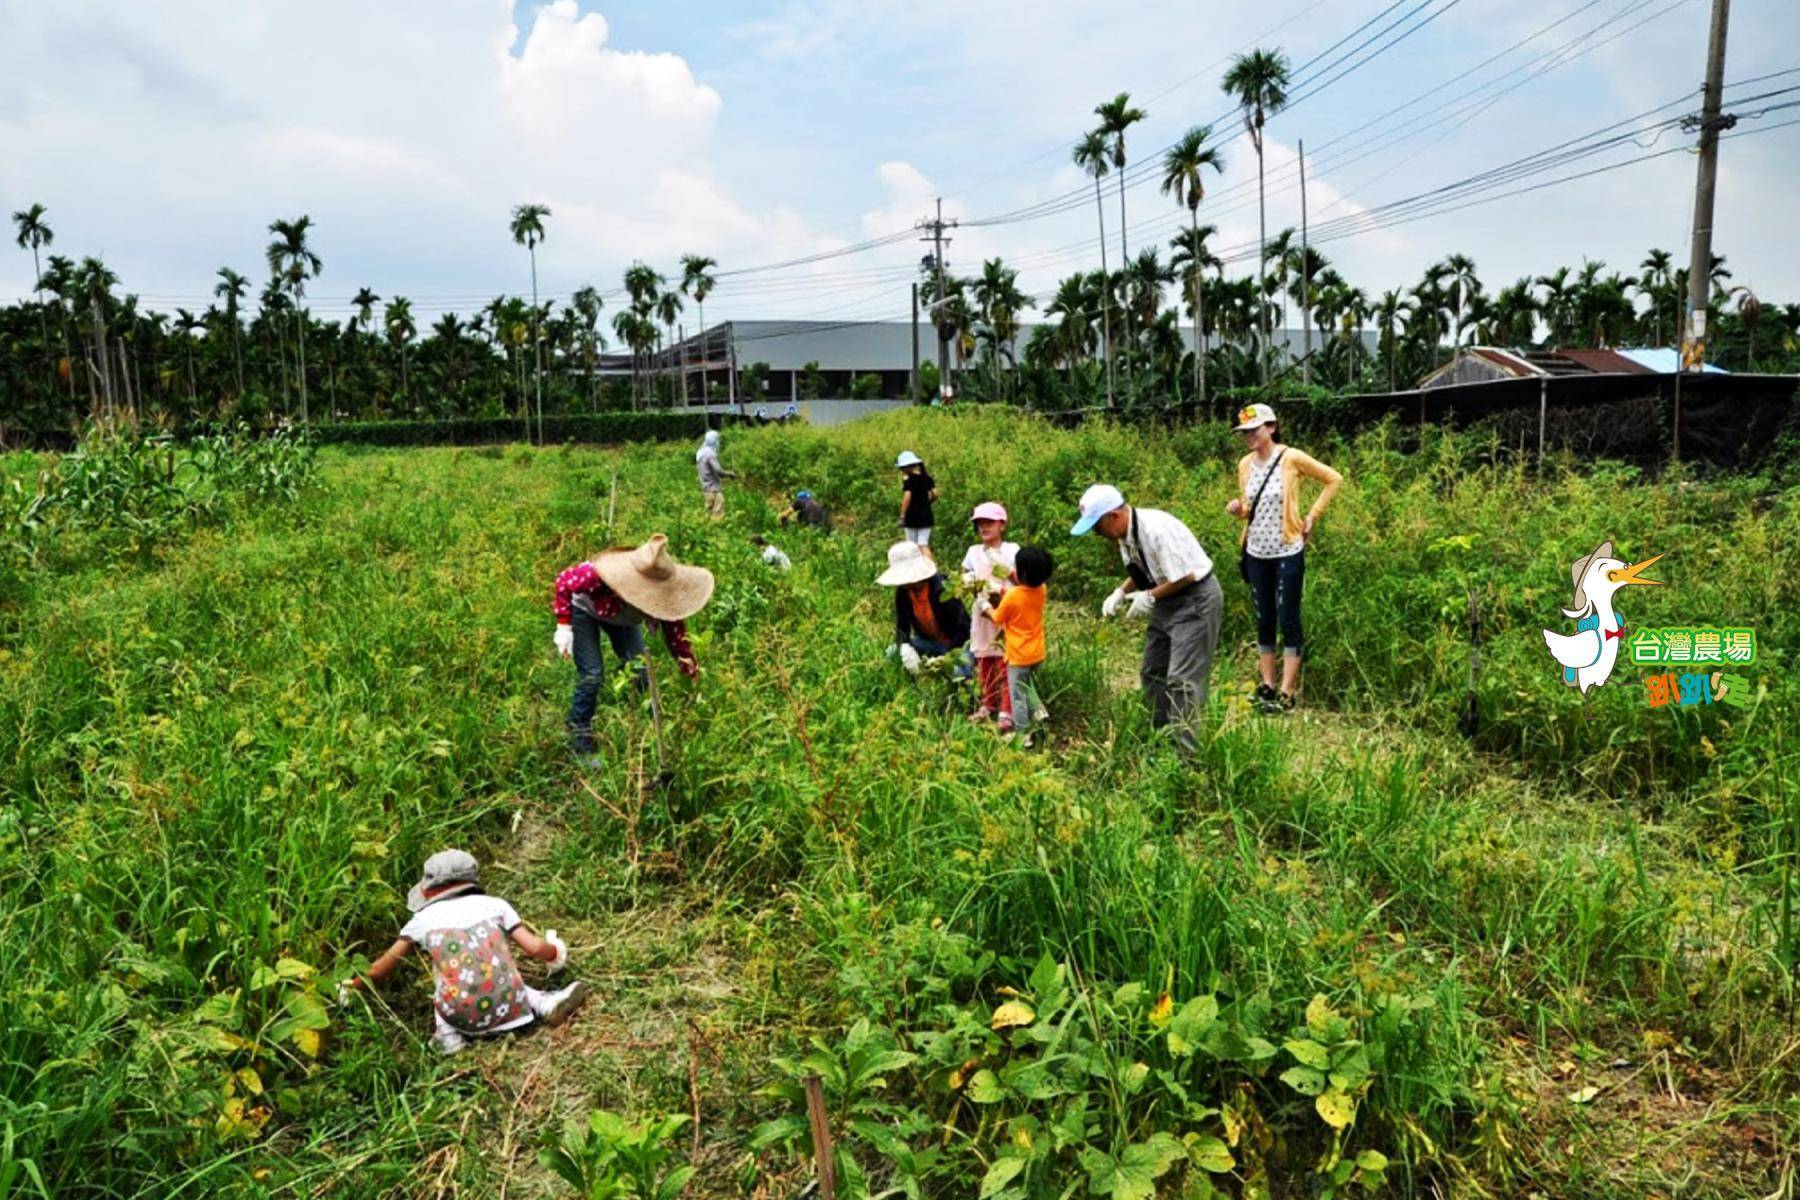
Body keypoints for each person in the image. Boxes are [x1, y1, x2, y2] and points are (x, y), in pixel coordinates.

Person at [341, 849, 589, 1055]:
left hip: (463, 1015)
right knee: (496, 972)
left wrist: (352, 985)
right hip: (511, 1005)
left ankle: (447, 1036)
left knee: (446, 975)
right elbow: (535, 947)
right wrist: (555, 951)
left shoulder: (421, 920)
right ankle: (545, 1003)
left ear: (429, 888)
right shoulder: (496, 905)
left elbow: (382, 968)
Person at [1072, 483, 1222, 758]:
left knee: (1182, 681)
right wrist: (1121, 592)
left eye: (1097, 526)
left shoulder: (1156, 529)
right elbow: (1147, 568)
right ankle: (1162, 739)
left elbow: (1184, 575)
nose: (1097, 534)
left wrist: (1148, 597)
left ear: (1113, 516)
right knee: (1152, 671)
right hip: (1167, 600)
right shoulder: (1126, 537)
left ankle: (1186, 758)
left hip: (1194, 599)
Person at [1225, 403, 1343, 714]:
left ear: (1272, 428)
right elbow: (1250, 510)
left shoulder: (1291, 457)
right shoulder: (1245, 464)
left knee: (1287, 616)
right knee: (1264, 617)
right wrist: (1238, 509)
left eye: (1255, 430)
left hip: (1287, 550)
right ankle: (1268, 685)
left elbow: (1333, 479)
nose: (1249, 436)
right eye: (1244, 432)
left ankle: (1288, 692)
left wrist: (1312, 517)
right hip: (1256, 551)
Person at [552, 534, 710, 762]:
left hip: (620, 618)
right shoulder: (600, 574)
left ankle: (645, 720)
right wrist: (564, 626)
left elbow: (676, 634)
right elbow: (563, 582)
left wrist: (688, 665)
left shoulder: (665, 595)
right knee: (592, 674)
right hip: (584, 610)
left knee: (640, 669)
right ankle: (578, 732)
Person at [985, 546, 1054, 748]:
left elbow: (998, 617)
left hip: (1018, 656)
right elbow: (1021, 592)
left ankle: (1024, 734)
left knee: (1017, 696)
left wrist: (985, 606)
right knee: (1027, 684)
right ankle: (1039, 711)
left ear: (1022, 572)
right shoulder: (1042, 589)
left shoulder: (1013, 596)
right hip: (1037, 652)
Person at [961, 502, 1019, 728]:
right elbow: (965, 575)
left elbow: (1022, 583)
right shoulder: (973, 552)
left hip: (1006, 607)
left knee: (1004, 658)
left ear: (1002, 525)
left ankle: (1007, 709)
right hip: (982, 610)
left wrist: (1006, 570)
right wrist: (968, 582)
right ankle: (988, 702)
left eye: (989, 522)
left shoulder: (1012, 550)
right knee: (985, 659)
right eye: (979, 523)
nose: (984, 527)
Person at [876, 540, 971, 678]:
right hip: (931, 643)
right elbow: (902, 628)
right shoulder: (903, 593)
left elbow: (964, 629)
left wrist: (947, 656)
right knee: (892, 652)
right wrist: (904, 647)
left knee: (959, 674)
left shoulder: (942, 588)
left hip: (957, 645)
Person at [895, 451, 937, 551]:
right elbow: (935, 494)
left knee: (912, 546)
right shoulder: (927, 478)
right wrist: (928, 503)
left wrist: (902, 515)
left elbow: (907, 497)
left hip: (912, 516)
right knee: (923, 544)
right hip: (926, 515)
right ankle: (929, 565)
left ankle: (914, 566)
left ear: (906, 467)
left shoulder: (909, 480)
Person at [694, 430, 735, 519]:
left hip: (706, 489)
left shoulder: (700, 453)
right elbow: (718, 471)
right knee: (717, 516)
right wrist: (730, 474)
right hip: (714, 490)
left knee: (708, 515)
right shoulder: (710, 454)